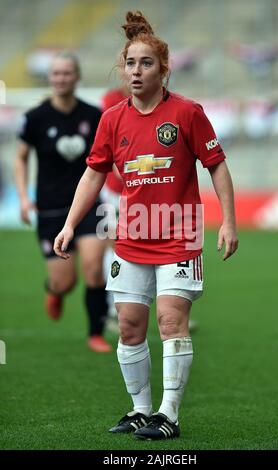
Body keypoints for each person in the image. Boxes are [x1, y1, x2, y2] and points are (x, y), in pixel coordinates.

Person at [54, 12, 238, 440]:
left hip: (179, 234)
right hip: (132, 234)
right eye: (130, 64)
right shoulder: (112, 119)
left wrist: (228, 221)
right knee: (131, 324)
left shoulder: (188, 113)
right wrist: (69, 224)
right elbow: (93, 175)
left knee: (170, 322)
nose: (136, 72)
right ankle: (140, 411)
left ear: (164, 69)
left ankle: (168, 415)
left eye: (146, 64)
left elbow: (217, 166)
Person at [14, 51, 112, 353]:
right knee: (65, 282)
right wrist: (23, 199)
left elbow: (109, 156)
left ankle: (95, 333)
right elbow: (20, 157)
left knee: (95, 269)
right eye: (56, 74)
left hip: (89, 206)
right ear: (50, 78)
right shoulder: (35, 118)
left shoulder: (94, 115)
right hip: (52, 209)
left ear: (77, 77)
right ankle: (54, 291)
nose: (61, 78)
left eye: (67, 73)